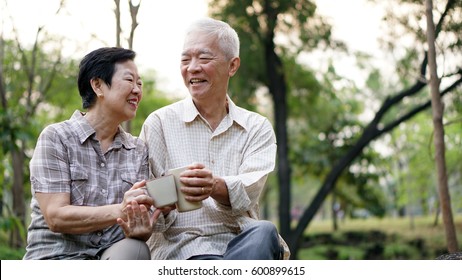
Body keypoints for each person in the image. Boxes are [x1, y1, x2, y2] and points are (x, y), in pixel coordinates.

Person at [140, 17, 289, 260]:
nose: (193, 67)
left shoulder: (256, 127)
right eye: (185, 59)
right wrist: (166, 195)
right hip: (185, 246)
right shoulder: (159, 123)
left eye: (204, 58)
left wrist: (213, 186)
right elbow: (149, 208)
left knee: (265, 230)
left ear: (232, 66)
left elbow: (248, 194)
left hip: (245, 242)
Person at [23, 47, 161, 260]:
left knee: (136, 249)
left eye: (140, 83)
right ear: (98, 85)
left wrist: (140, 228)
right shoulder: (56, 137)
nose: (137, 90)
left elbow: (136, 226)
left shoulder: (137, 149)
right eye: (129, 81)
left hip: (110, 258)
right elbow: (56, 216)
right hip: (55, 257)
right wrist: (120, 210)